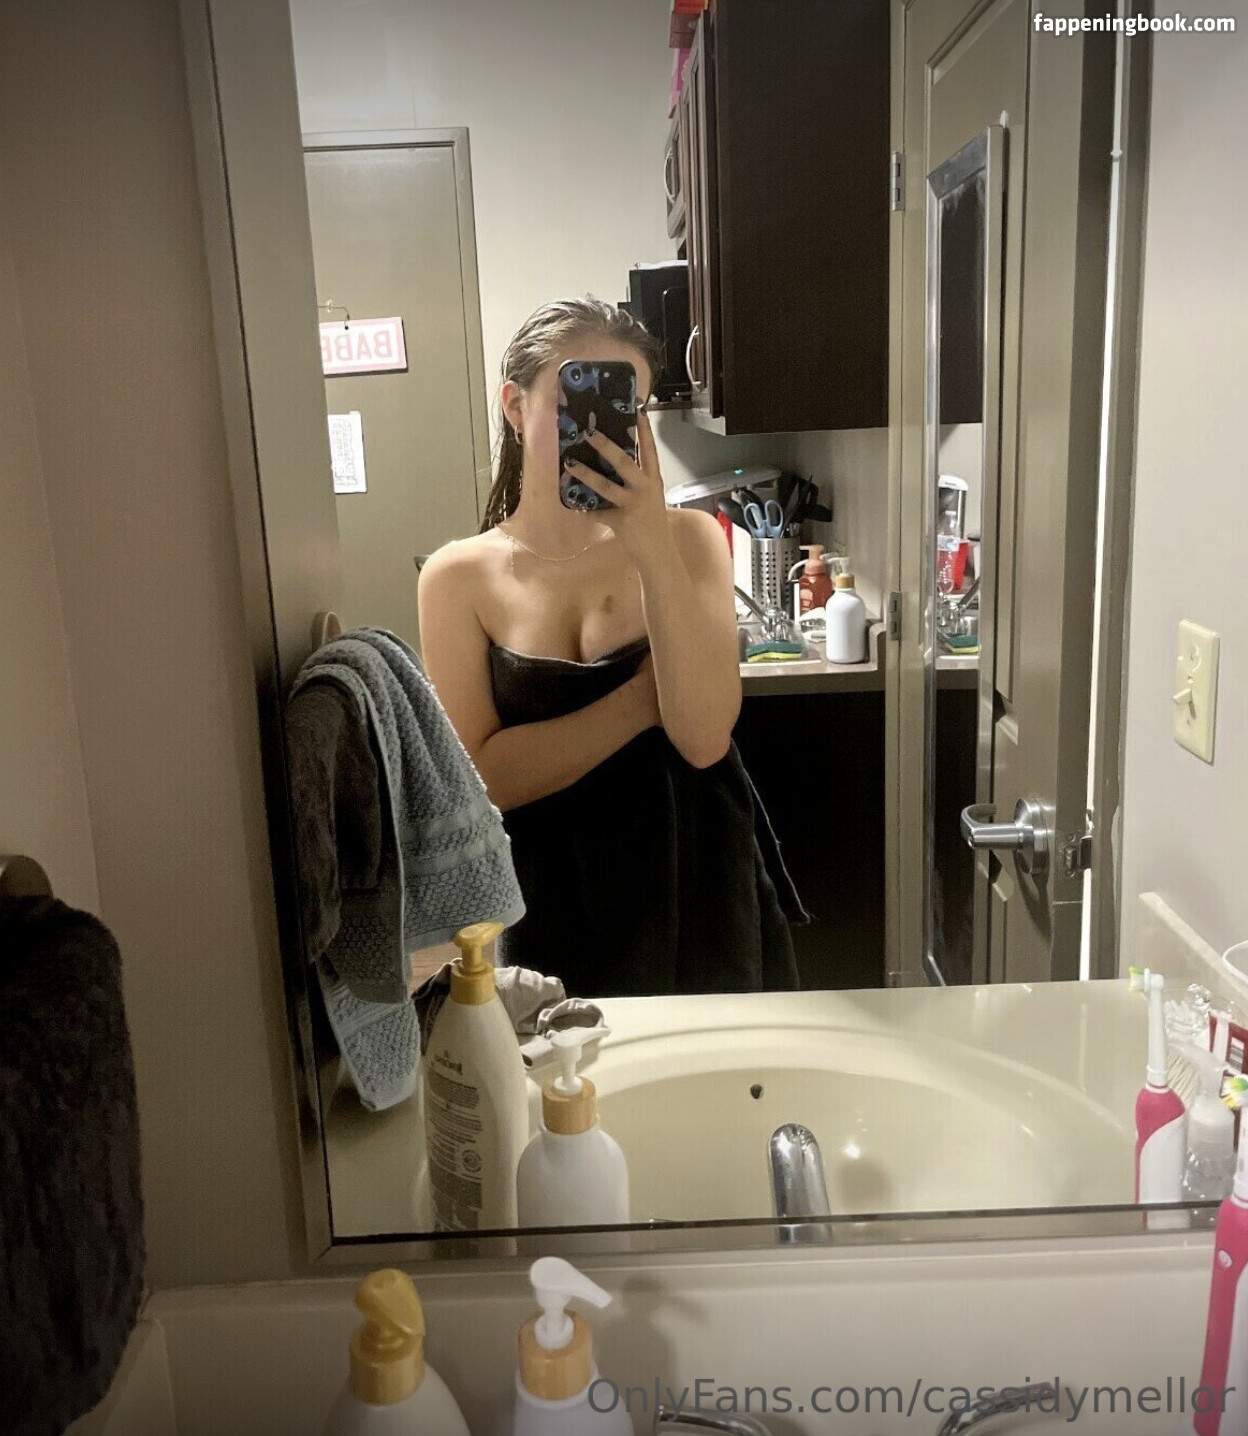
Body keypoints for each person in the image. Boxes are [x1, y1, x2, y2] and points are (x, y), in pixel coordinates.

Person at [417, 297, 805, 997]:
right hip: (550, 893)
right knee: (565, 1062)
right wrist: (640, 701)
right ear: (515, 406)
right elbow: (484, 781)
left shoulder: (689, 539)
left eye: (626, 405)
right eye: (578, 397)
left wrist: (650, 547)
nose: (602, 428)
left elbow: (701, 738)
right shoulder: (456, 578)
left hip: (697, 882)